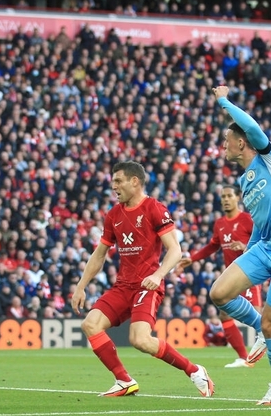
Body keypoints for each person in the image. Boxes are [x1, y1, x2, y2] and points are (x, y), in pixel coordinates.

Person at [72, 161, 214, 398]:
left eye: (118, 181)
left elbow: (175, 250)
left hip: (147, 286)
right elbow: (100, 254)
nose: (114, 186)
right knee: (90, 324)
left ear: (134, 181)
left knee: (140, 340)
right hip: (122, 286)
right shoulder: (114, 215)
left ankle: (195, 371)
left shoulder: (154, 209)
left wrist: (158, 275)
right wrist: (81, 286)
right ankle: (124, 380)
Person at [209, 86, 271, 405]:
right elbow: (259, 223)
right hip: (265, 247)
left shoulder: (270, 159)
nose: (224, 146)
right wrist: (248, 253)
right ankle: (261, 335)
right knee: (219, 293)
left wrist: (224, 102)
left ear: (242, 142)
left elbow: (253, 128)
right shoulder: (244, 181)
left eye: (227, 140)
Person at [179, 185, 271, 368]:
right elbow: (212, 246)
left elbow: (265, 240)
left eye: (228, 196)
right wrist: (192, 259)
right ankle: (243, 357)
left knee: (259, 316)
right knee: (225, 315)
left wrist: (245, 246)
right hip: (232, 275)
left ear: (237, 198)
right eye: (222, 196)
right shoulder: (219, 224)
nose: (225, 199)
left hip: (249, 274)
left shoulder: (247, 219)